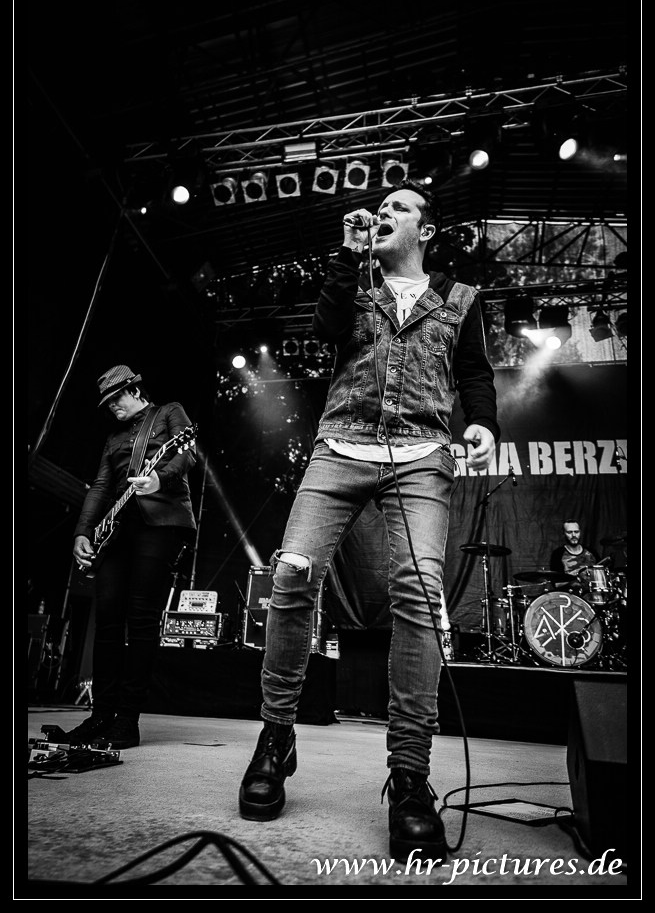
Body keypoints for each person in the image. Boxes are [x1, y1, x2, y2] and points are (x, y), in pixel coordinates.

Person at [238, 180, 499, 862]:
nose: (383, 213)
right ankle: (276, 736)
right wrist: (344, 256)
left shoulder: (461, 298)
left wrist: (482, 423)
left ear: (426, 231)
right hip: (341, 445)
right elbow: (326, 330)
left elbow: (475, 374)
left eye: (398, 209)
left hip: (420, 454)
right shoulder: (355, 281)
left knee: (419, 592)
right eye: (379, 208)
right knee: (292, 575)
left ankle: (409, 775)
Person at [64, 365, 197, 749]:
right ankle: (100, 715)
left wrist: (159, 479)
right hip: (116, 529)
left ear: (135, 390)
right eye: (106, 404)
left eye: (116, 399)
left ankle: (127, 721)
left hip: (160, 524)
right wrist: (82, 531)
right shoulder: (113, 438)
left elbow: (187, 455)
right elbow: (101, 486)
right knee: (107, 620)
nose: (112, 407)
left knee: (141, 620)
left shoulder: (169, 413)